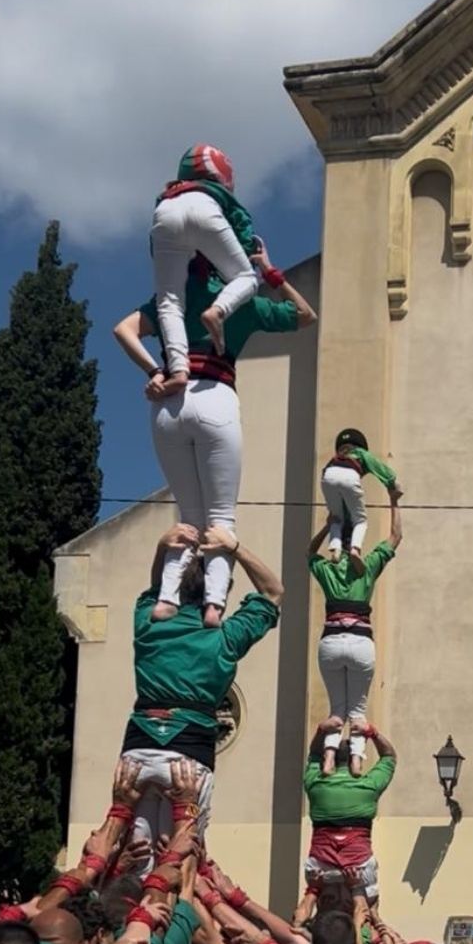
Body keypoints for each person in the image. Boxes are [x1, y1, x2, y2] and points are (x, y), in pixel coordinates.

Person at [114, 246, 314, 619]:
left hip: (169, 403)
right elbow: (306, 315)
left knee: (188, 516)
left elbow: (122, 330)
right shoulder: (244, 303)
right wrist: (269, 272)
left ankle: (167, 599)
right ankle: (214, 605)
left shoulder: (170, 297)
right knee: (221, 517)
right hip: (216, 396)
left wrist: (154, 372)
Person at [121, 527, 283, 861]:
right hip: (190, 752)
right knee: (180, 861)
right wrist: (234, 547)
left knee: (134, 861)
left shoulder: (148, 622)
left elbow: (155, 591)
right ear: (218, 593)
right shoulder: (224, 638)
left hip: (138, 748)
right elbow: (273, 592)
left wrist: (161, 547)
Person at [149, 145, 264, 388]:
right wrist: (249, 251)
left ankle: (179, 371)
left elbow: (156, 247)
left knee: (169, 300)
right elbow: (243, 223)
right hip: (205, 210)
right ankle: (218, 311)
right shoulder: (217, 192)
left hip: (164, 215)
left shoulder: (171, 192)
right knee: (246, 278)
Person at [309, 493, 402, 775]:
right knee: (357, 709)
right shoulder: (369, 565)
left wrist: (327, 527)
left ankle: (328, 756)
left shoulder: (327, 567)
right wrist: (394, 501)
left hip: (331, 641)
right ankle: (357, 760)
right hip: (361, 640)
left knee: (338, 707)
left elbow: (309, 553)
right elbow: (396, 536)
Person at [300, 722, 396, 928]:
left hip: (321, 866)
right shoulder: (369, 785)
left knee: (312, 901)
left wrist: (321, 731)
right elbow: (389, 756)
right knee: (369, 910)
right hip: (358, 865)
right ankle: (371, 928)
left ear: (332, 758)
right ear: (357, 758)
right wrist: (372, 732)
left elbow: (313, 755)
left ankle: (303, 918)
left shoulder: (316, 783)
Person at [319, 427, 401, 564]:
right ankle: (355, 550)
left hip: (327, 477)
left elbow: (326, 476)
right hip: (350, 476)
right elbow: (379, 468)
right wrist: (392, 484)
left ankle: (335, 549)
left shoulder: (336, 458)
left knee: (335, 518)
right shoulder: (361, 453)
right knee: (360, 520)